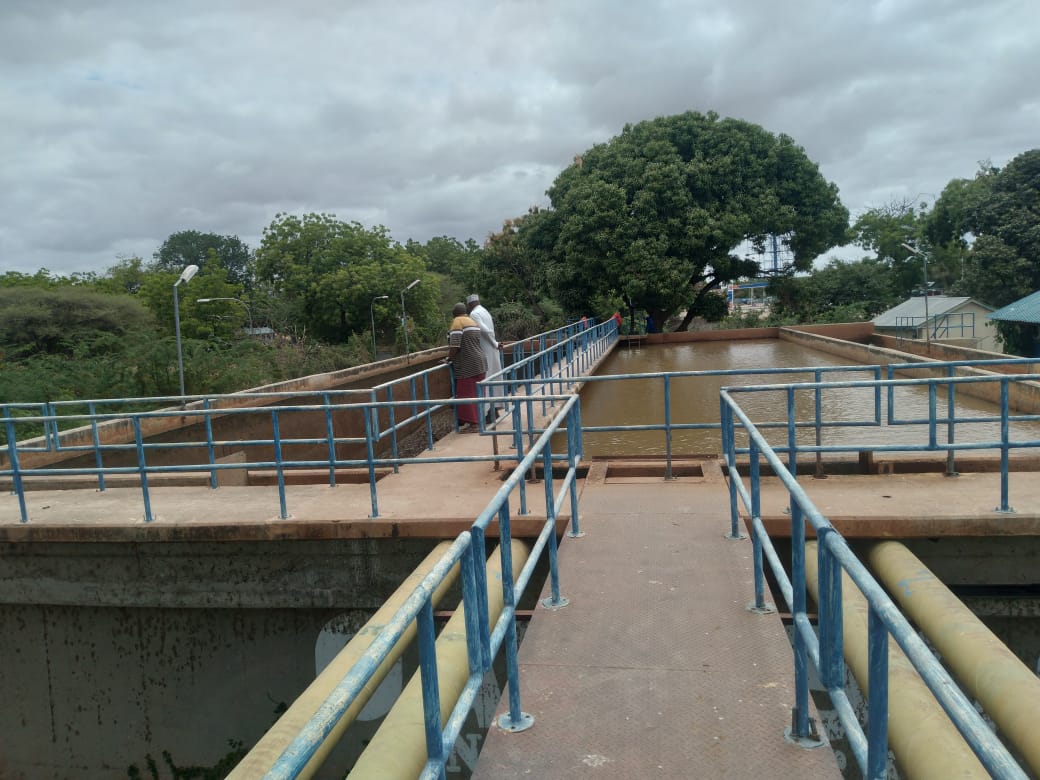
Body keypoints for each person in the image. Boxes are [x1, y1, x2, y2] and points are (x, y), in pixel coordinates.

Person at [445, 302, 486, 431]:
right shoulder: (472, 322)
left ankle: (474, 424)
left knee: (465, 395)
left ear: (454, 313)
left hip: (467, 365)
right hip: (481, 363)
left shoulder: (457, 323)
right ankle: (479, 420)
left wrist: (448, 358)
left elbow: (455, 345)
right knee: (478, 393)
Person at [466, 294, 502, 424]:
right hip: (491, 350)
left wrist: (494, 343)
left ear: (470, 304)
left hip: (486, 350)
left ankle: (488, 414)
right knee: (492, 379)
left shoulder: (474, 314)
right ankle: (494, 411)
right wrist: (495, 343)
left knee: (485, 381)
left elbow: (485, 330)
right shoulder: (484, 311)